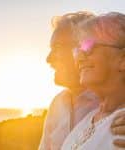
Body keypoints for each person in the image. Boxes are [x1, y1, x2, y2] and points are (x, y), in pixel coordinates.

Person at [39, 11, 125, 150]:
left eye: (57, 47)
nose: (80, 56)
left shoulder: (115, 103)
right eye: (79, 49)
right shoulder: (59, 104)